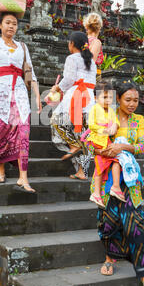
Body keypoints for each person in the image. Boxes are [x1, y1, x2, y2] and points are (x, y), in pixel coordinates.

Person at [91, 82, 144, 286]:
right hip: (107, 177)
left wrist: (123, 147)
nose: (132, 104)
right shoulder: (105, 112)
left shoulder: (138, 120)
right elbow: (92, 139)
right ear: (118, 98)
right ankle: (110, 258)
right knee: (108, 220)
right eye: (127, 99)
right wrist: (104, 149)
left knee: (135, 223)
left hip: (130, 180)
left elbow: (142, 146)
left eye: (136, 100)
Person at [0, 0, 42, 188]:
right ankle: (1, 171)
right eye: (8, 23)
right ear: (0, 25)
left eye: (14, 24)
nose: (12, 26)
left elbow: (30, 72)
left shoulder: (22, 47)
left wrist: (37, 96)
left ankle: (23, 176)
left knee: (23, 131)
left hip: (20, 92)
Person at [50, 32, 97, 180]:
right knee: (84, 134)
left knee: (56, 121)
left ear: (71, 43)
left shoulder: (72, 58)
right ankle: (82, 171)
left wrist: (57, 88)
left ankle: (73, 145)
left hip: (75, 95)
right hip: (89, 98)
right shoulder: (91, 61)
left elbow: (69, 78)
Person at [82, 81, 122, 208]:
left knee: (116, 160)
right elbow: (92, 125)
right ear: (95, 97)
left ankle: (115, 186)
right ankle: (96, 192)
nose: (107, 100)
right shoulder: (94, 109)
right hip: (98, 140)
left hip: (106, 141)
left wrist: (114, 126)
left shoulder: (110, 111)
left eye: (110, 97)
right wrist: (104, 129)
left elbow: (116, 122)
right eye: (104, 97)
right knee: (100, 165)